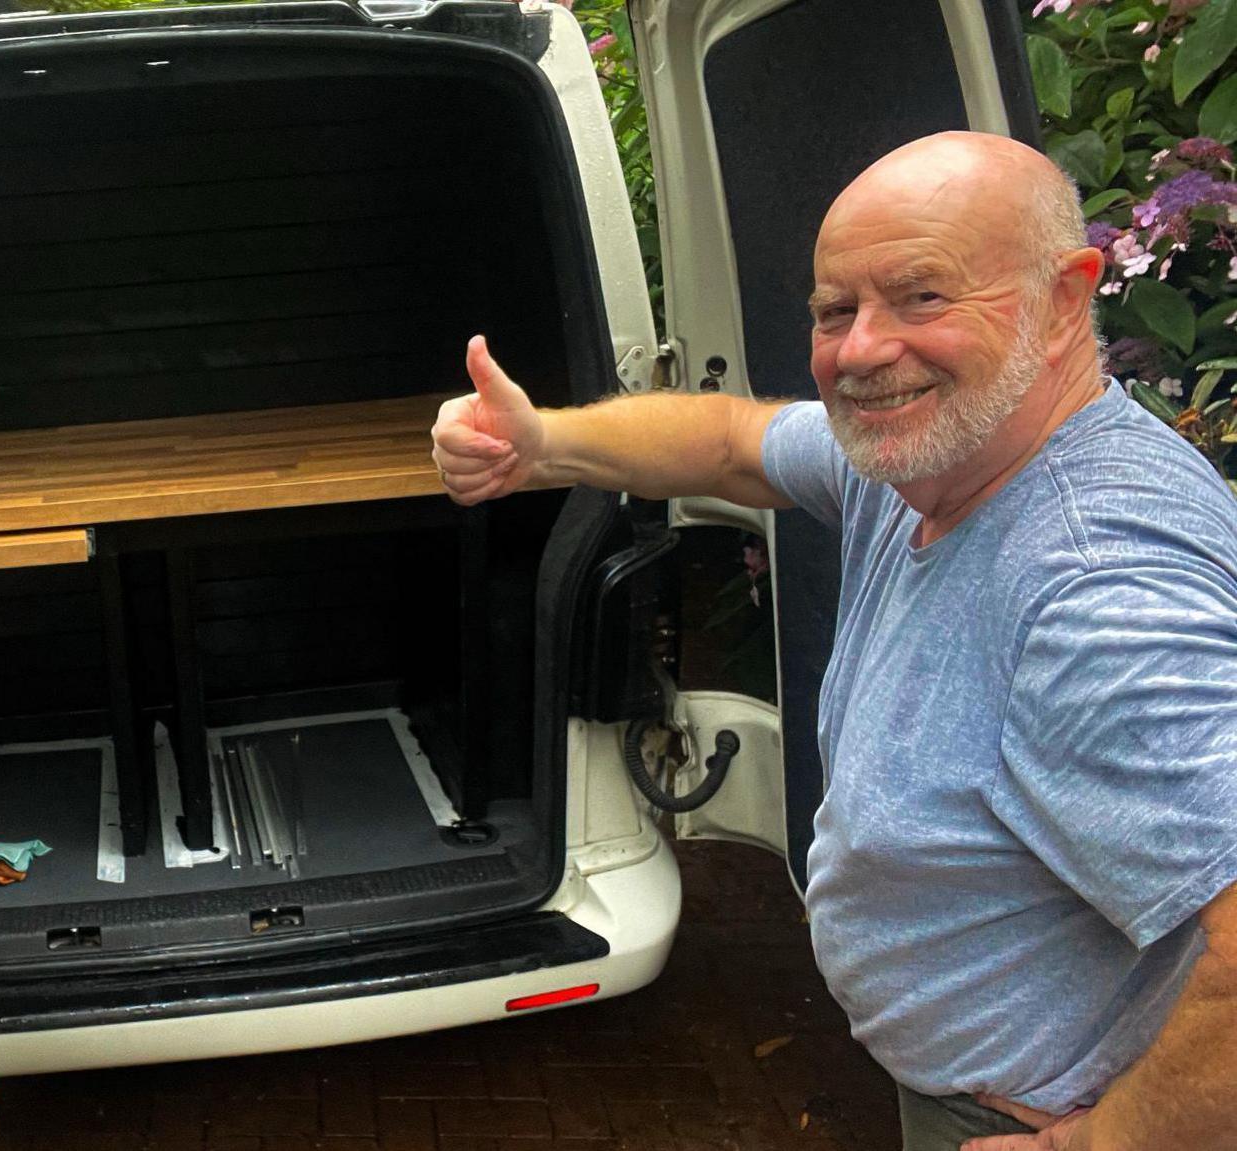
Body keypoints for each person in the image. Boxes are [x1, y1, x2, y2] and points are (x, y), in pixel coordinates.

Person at [432, 131, 1237, 1151]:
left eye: (922, 296)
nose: (859, 351)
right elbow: (727, 441)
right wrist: (541, 444)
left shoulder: (1091, 581)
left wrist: (1109, 1139)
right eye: (832, 310)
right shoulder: (930, 455)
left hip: (1029, 1111)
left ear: (1064, 300)